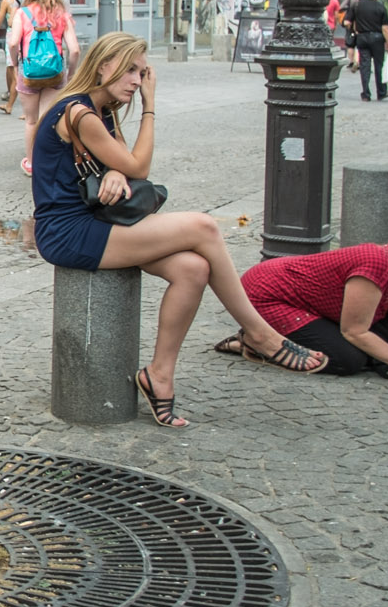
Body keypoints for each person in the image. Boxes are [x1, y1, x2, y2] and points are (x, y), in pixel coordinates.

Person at [29, 32, 328, 427]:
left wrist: (116, 168)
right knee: (204, 227)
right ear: (103, 65)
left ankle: (159, 375)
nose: (138, 80)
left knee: (193, 269)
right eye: (130, 70)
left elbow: (123, 162)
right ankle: (260, 334)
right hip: (68, 232)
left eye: (141, 73)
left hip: (97, 222)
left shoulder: (100, 110)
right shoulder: (79, 112)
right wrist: (150, 109)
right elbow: (141, 168)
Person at [219, 238, 388, 382]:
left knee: (376, 351)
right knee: (346, 360)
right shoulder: (375, 267)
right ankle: (254, 341)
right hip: (269, 295)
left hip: (312, 303)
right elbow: (355, 332)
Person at [15, 0, 75, 183]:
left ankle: (31, 163)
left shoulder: (22, 14)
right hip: (55, 74)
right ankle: (48, 162)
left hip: (29, 73)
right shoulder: (62, 16)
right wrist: (71, 74)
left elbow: (13, 43)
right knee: (48, 120)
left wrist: (15, 65)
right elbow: (75, 50)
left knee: (31, 121)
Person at [346, 0, 388, 101]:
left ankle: (366, 93)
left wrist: (354, 28)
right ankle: (381, 91)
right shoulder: (380, 6)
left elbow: (347, 22)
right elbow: (385, 28)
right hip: (377, 37)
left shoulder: (357, 5)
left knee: (365, 65)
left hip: (362, 37)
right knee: (379, 65)